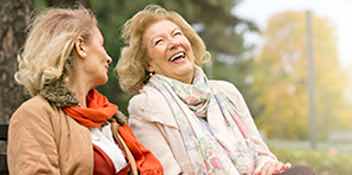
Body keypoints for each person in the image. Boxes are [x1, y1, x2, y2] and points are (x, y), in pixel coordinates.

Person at [116, 5, 314, 175]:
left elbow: (261, 153)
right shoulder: (145, 106)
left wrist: (269, 166)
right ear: (149, 64)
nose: (174, 43)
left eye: (177, 34)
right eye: (159, 41)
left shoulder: (226, 92)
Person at [7, 7, 163, 175]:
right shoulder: (34, 114)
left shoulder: (107, 118)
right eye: (101, 45)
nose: (109, 58)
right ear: (80, 46)